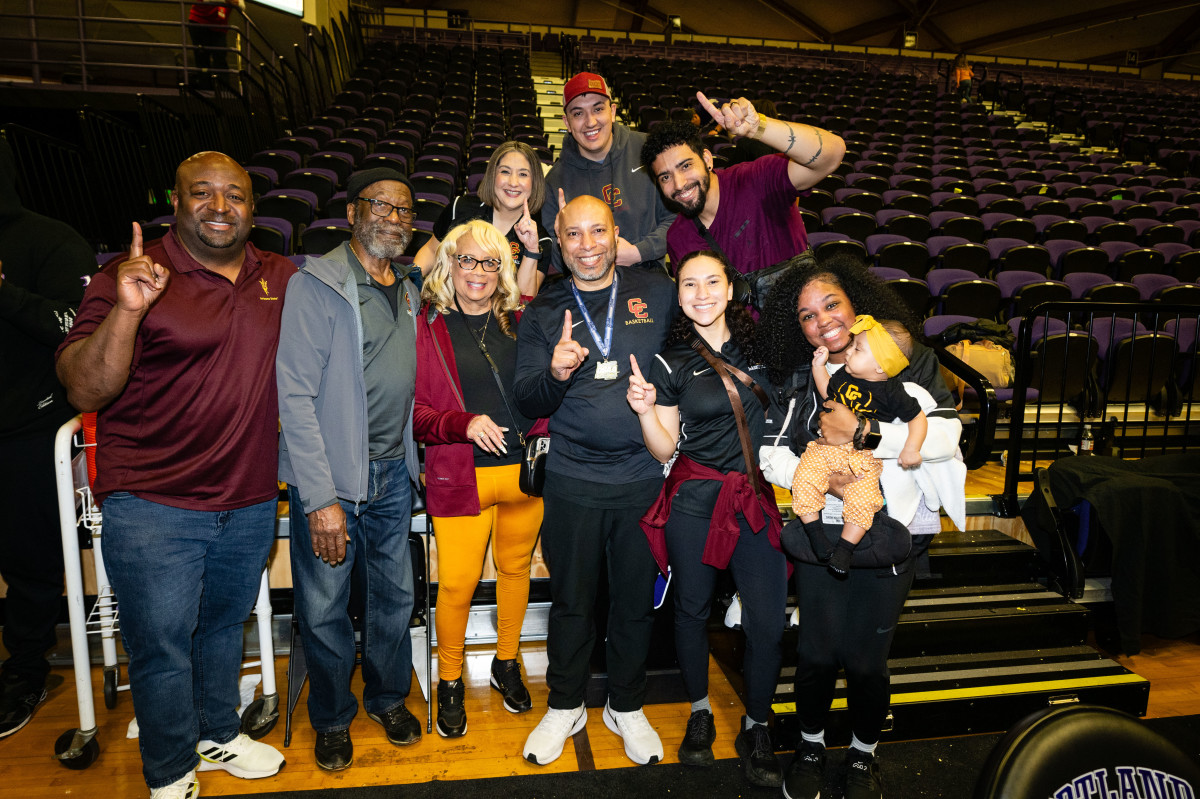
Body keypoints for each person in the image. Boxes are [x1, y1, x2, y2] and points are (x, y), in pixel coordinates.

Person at [55, 151, 294, 799]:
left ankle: (217, 729)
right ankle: (168, 770)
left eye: (235, 195)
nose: (220, 207)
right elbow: (83, 387)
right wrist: (131, 309)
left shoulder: (279, 274)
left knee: (222, 627)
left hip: (246, 497)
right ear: (177, 202)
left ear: (254, 206)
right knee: (161, 647)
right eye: (203, 193)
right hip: (152, 501)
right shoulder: (128, 275)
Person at [756, 254, 964, 799]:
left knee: (867, 663)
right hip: (824, 538)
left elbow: (944, 439)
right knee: (817, 655)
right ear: (795, 328)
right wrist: (827, 483)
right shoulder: (806, 380)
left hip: (892, 540)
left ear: (855, 306)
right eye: (806, 315)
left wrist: (865, 433)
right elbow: (771, 455)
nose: (822, 319)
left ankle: (863, 755)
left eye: (831, 304)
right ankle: (808, 745)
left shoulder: (905, 366)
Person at [514, 195, 677, 767]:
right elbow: (526, 397)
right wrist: (556, 373)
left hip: (641, 479)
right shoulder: (543, 308)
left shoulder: (657, 291)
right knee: (572, 602)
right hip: (572, 480)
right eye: (574, 234)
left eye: (597, 231)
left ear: (615, 233)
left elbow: (690, 357)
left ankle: (625, 706)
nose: (587, 245)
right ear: (559, 238)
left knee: (633, 603)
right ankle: (565, 705)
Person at [277, 167, 422, 772]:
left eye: (404, 210)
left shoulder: (411, 286)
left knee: (394, 599)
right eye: (380, 207)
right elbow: (295, 396)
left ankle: (387, 698)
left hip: (393, 478)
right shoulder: (317, 285)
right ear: (354, 212)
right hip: (336, 483)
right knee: (324, 605)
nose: (392, 218)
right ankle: (333, 716)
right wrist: (319, 498)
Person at [627, 251, 789, 787]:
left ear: (730, 288)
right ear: (678, 294)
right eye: (689, 284)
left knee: (767, 623)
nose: (701, 293)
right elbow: (663, 449)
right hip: (695, 500)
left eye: (711, 282)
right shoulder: (669, 360)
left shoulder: (764, 347)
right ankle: (699, 711)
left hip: (754, 500)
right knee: (691, 612)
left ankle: (757, 725)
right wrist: (647, 409)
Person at [413, 219, 547, 738]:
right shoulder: (427, 327)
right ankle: (449, 679)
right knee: (458, 586)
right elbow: (417, 414)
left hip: (523, 476)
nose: (478, 272)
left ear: (504, 270)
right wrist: (463, 424)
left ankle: (506, 662)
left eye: (490, 262)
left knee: (517, 573)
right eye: (467, 260)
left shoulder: (523, 322)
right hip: (458, 478)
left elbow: (543, 393)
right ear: (449, 264)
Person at [0, 140, 95, 740]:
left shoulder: (50, 240)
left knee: (29, 565)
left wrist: (4, 292)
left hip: (28, 431)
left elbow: (74, 326)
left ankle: (26, 671)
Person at [641, 93, 846, 275]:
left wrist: (759, 128)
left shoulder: (756, 179)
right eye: (665, 177)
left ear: (707, 159)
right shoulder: (678, 238)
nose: (679, 184)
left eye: (685, 166)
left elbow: (833, 153)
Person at [790, 316, 928, 576]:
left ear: (880, 366)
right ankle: (816, 537)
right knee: (804, 478)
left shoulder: (893, 391)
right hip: (826, 448)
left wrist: (912, 447)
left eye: (857, 349)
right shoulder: (843, 374)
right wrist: (818, 366)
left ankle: (844, 550)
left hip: (862, 454)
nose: (848, 352)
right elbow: (827, 394)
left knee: (863, 499)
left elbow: (917, 418)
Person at [540, 72, 675, 274]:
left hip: (650, 280)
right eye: (578, 114)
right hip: (589, 292)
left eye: (598, 109)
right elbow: (557, 263)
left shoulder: (650, 150)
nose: (590, 122)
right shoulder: (554, 182)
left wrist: (639, 252)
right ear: (567, 123)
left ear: (612, 111)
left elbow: (677, 219)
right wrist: (562, 240)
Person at [413, 141, 552, 298]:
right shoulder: (459, 208)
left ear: (535, 183)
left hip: (501, 319)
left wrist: (531, 250)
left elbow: (524, 300)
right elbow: (432, 251)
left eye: (523, 174)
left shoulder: (540, 239)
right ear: (493, 176)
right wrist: (409, 282)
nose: (513, 182)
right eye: (505, 172)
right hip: (448, 308)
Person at [187, 0, 244, 89]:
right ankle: (205, 88)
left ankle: (223, 89)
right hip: (200, 21)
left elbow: (242, 6)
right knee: (202, 57)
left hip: (219, 26)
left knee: (220, 57)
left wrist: (237, 3)